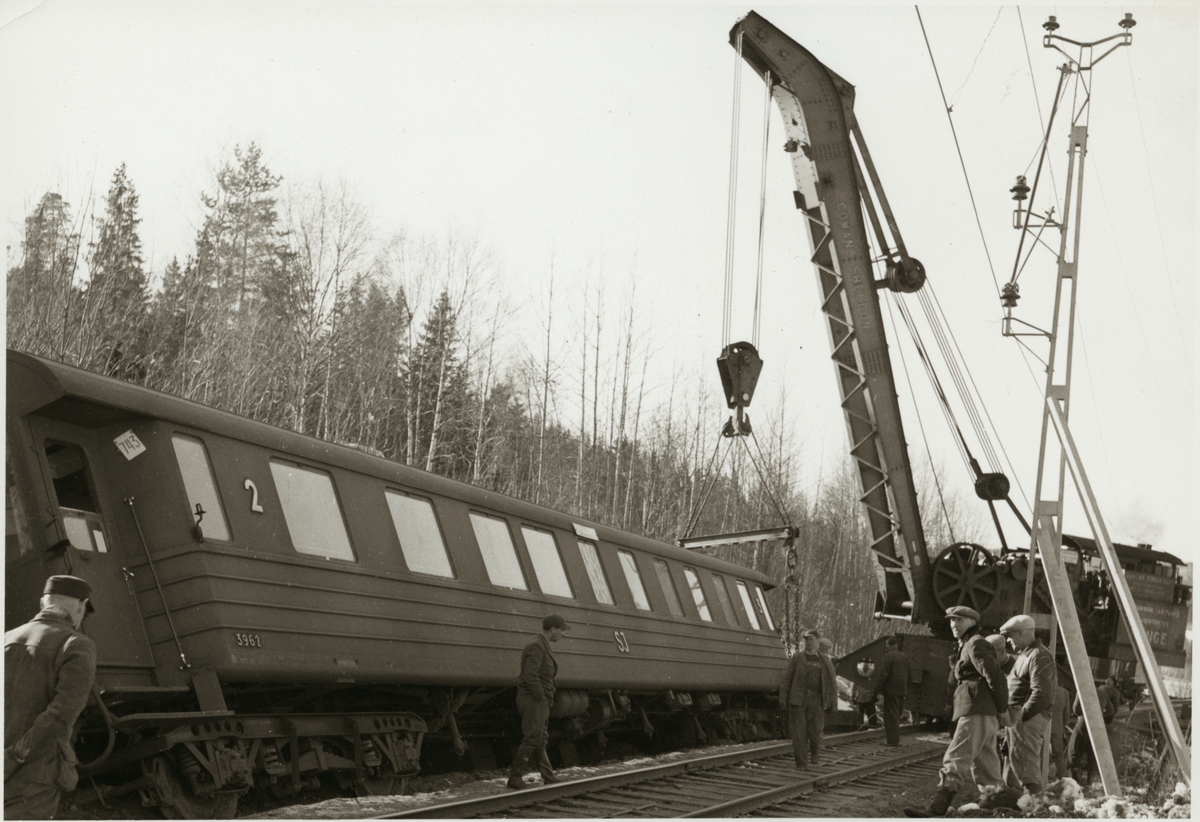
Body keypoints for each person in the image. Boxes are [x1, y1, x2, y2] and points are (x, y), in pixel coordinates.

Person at [5, 575, 97, 820]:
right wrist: (15, 756)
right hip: (35, 774)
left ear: (41, 603)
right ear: (80, 605)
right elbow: (60, 716)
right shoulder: (76, 643)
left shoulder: (6, 638)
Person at [904, 606, 1008, 818]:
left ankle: (936, 809)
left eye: (959, 620)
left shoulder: (976, 643)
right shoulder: (969, 644)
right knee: (988, 770)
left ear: (972, 622)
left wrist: (1002, 710)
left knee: (956, 757)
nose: (954, 625)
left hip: (976, 710)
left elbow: (995, 677)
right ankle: (1009, 808)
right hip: (981, 711)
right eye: (952, 621)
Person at [508, 613, 568, 789]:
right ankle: (515, 777)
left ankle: (548, 775)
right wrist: (541, 697)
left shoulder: (542, 644)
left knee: (540, 738)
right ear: (553, 629)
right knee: (533, 738)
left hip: (537, 700)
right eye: (562, 630)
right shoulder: (536, 645)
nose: (563, 634)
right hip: (533, 699)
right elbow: (530, 676)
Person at [999, 614, 1055, 795]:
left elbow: (1041, 693)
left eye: (1011, 635)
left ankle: (1035, 810)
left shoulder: (1039, 655)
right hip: (1019, 719)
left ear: (1022, 634)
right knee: (1015, 766)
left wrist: (1022, 715)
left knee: (1027, 770)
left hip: (1026, 720)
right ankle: (1015, 808)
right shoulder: (1028, 655)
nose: (1009, 640)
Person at [779, 628, 836, 769]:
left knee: (815, 732)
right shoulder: (797, 658)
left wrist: (833, 702)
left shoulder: (825, 660)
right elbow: (787, 678)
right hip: (799, 700)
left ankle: (815, 751)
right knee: (799, 734)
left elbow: (832, 682)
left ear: (818, 642)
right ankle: (801, 763)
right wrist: (783, 695)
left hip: (817, 700)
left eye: (811, 640)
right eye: (806, 640)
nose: (808, 643)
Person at [874, 636, 910, 746]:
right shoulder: (904, 656)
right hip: (902, 691)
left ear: (888, 645)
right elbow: (910, 676)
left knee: (890, 716)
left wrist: (875, 691)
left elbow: (882, 675)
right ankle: (894, 739)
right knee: (896, 715)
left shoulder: (888, 656)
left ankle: (892, 741)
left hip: (891, 691)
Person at [1049, 683, 1072, 780]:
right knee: (1058, 754)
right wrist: (1061, 726)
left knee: (1039, 752)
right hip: (1057, 727)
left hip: (1042, 726)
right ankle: (1064, 778)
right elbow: (1067, 714)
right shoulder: (1064, 693)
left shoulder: (1043, 689)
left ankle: (1040, 778)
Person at [852, 659, 879, 730]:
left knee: (871, 714)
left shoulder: (872, 671)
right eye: (863, 662)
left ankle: (873, 728)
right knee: (859, 716)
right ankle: (859, 729)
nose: (865, 664)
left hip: (869, 697)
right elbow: (853, 685)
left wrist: (875, 695)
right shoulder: (858, 671)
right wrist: (853, 696)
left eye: (866, 662)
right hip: (860, 697)